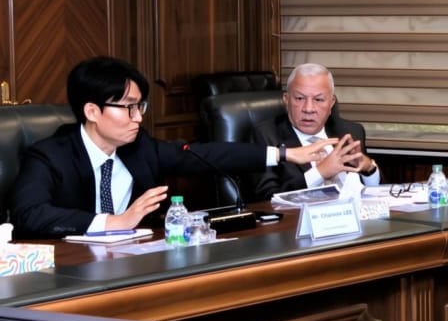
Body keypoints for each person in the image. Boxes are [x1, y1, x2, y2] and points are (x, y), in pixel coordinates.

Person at [7, 57, 333, 238]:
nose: (138, 118)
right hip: (68, 275)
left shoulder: (138, 148)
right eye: (128, 107)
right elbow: (29, 215)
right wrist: (113, 222)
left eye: (140, 107)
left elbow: (205, 155)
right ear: (92, 111)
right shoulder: (49, 156)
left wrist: (284, 154)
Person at [251, 63, 380, 200]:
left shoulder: (350, 131)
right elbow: (266, 199)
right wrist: (320, 173)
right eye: (299, 98)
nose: (308, 109)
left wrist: (369, 168)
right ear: (286, 100)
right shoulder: (266, 136)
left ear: (331, 103)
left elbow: (379, 195)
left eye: (318, 99)